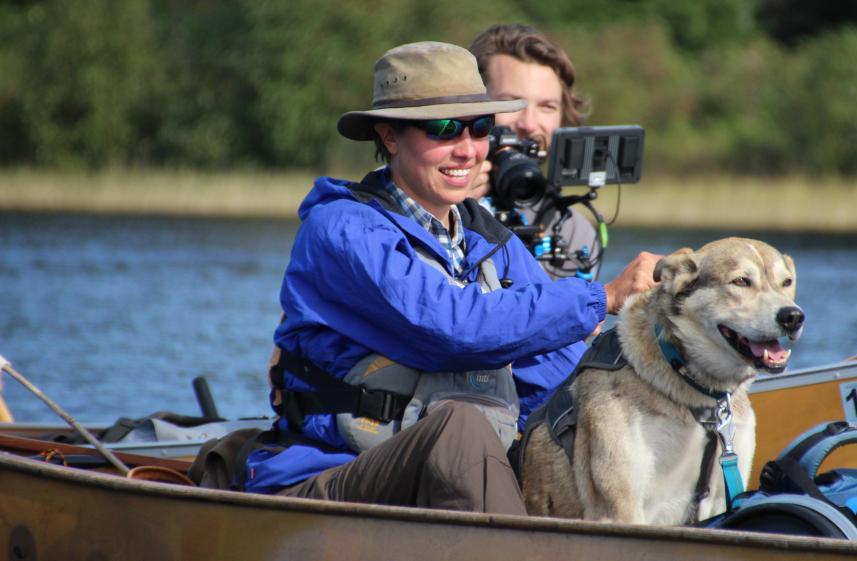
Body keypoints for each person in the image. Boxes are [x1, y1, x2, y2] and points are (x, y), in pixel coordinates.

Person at [247, 41, 661, 516]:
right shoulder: (343, 229)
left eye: (480, 128)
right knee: (461, 426)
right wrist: (601, 297)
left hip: (443, 480)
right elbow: (452, 329)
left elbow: (561, 374)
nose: (466, 149)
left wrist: (664, 355)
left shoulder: (491, 241)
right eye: (443, 129)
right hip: (328, 475)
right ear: (389, 137)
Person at [468, 24, 599, 280]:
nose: (528, 124)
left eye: (547, 107)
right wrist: (452, 208)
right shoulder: (411, 193)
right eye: (510, 103)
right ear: (469, 104)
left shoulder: (572, 232)